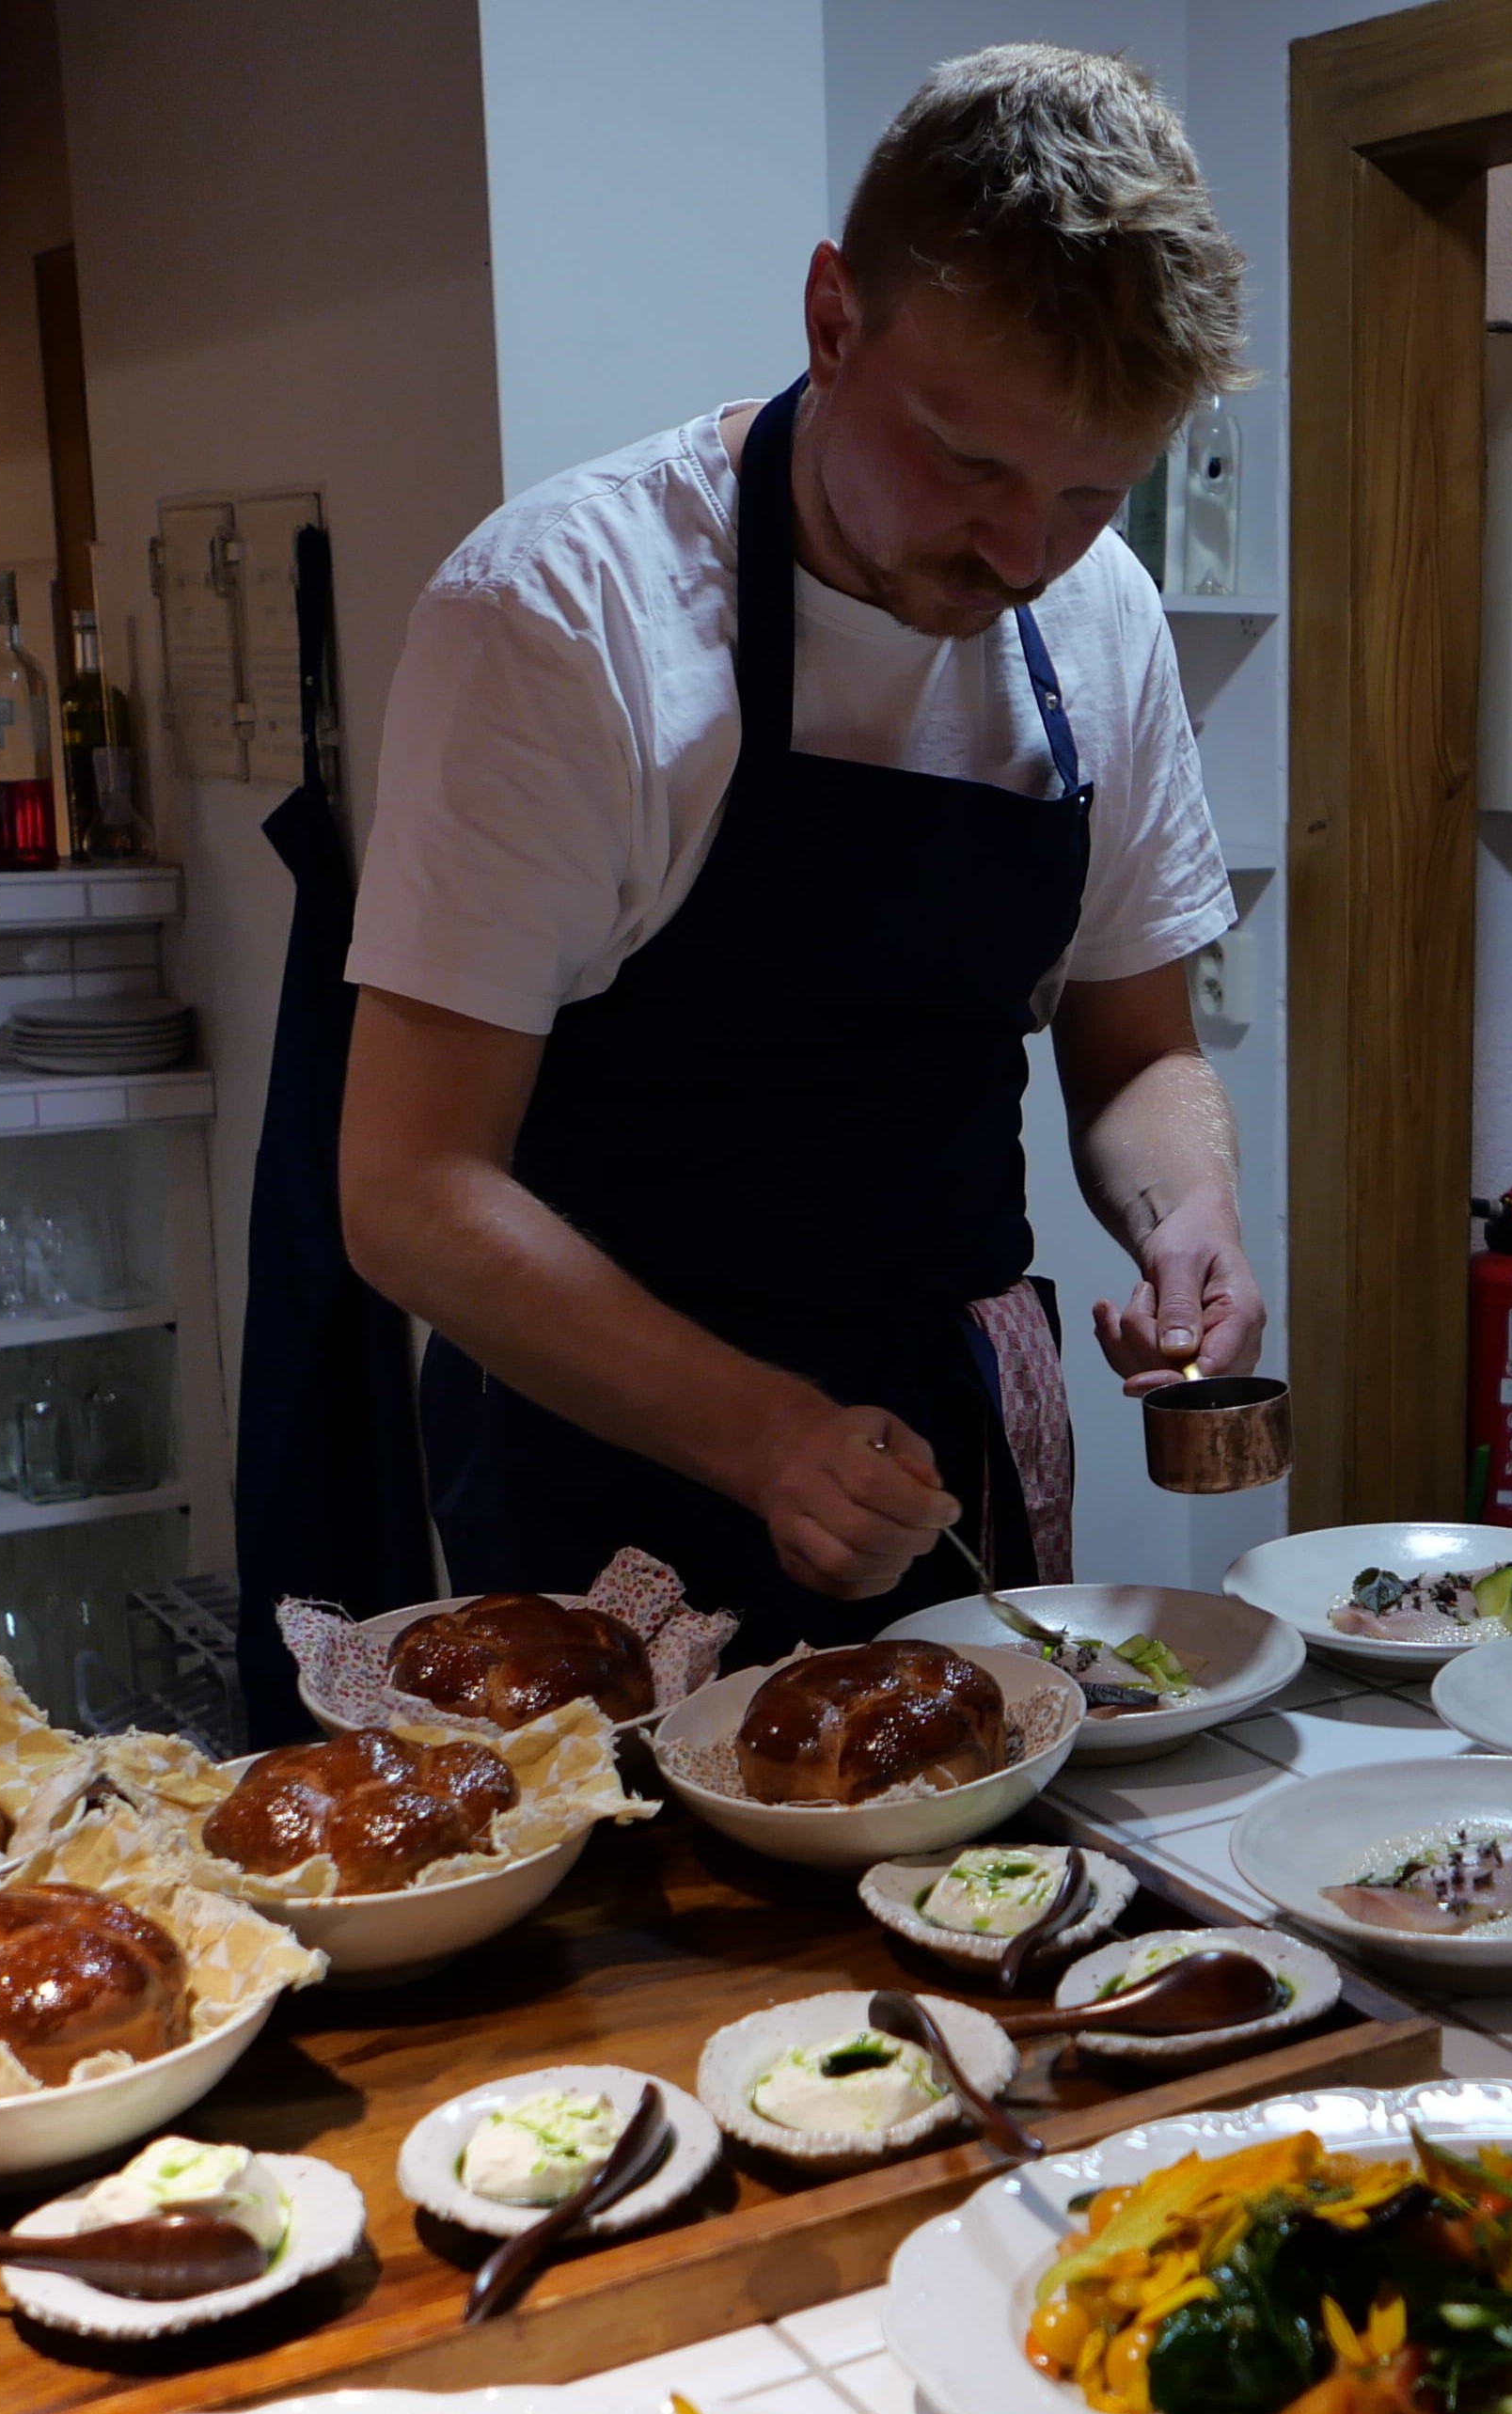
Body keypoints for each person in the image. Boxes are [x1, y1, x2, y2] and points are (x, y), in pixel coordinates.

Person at [323, 45, 1261, 1649]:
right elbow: (408, 1188)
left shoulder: (1097, 618)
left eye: (1094, 493)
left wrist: (1190, 1216)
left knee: (998, 1886)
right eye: (971, 464)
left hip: (953, 1438)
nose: (1024, 554)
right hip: (608, 1466)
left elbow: (1134, 1040)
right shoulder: (563, 615)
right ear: (833, 319)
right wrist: (766, 1435)